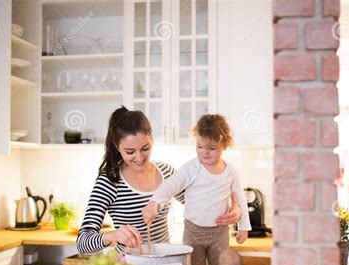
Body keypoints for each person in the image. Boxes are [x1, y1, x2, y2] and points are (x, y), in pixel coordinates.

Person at [77, 106, 241, 254]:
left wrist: (236, 212)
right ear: (116, 146)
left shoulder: (166, 172)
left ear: (152, 140)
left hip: (166, 264)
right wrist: (112, 235)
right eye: (130, 151)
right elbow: (82, 242)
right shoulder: (109, 182)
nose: (139, 157)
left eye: (145, 148)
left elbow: (202, 206)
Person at [142, 114, 251, 265]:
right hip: (193, 234)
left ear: (225, 145)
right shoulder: (192, 168)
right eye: (199, 147)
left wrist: (244, 226)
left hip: (219, 234)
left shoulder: (231, 172)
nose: (205, 153)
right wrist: (154, 202)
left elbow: (240, 199)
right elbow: (171, 184)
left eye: (212, 148)